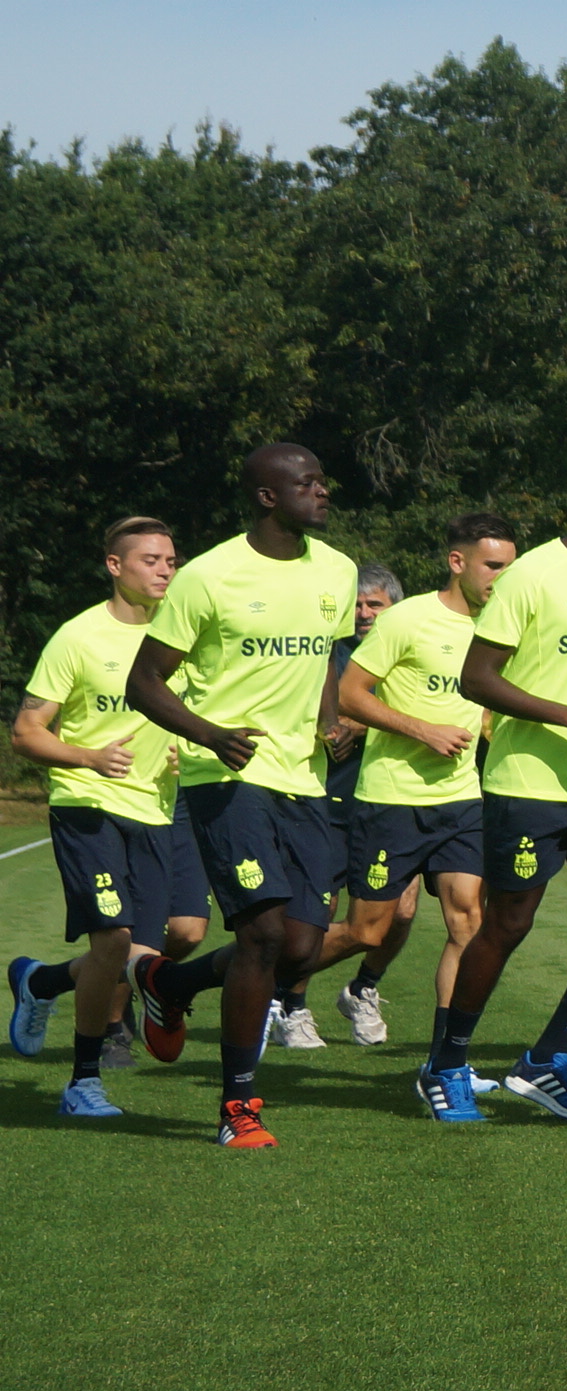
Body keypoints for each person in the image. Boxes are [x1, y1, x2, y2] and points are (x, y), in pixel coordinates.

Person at [124, 441, 362, 1150]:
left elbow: (324, 658)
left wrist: (328, 720)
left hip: (303, 779)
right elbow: (143, 681)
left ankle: (170, 985)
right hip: (226, 776)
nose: (322, 492)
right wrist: (209, 733)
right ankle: (237, 1106)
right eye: (307, 483)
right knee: (262, 935)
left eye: (322, 482)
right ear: (267, 497)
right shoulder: (208, 576)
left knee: (301, 947)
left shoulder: (339, 570)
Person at [414, 451, 567, 1126]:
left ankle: (547, 1059)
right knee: (508, 924)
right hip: (528, 782)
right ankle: (446, 1063)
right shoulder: (531, 576)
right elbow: (477, 679)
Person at [9, 518, 201, 1119]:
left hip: (157, 809)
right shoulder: (77, 637)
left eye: (171, 560)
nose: (165, 570)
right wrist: (88, 756)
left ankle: (40, 983)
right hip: (87, 804)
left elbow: (197, 714)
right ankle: (83, 1082)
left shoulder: (184, 638)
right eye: (150, 560)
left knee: (150, 945)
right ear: (115, 566)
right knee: (114, 941)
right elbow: (26, 732)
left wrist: (190, 749)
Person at [319, 513, 516, 1048]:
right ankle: (269, 980)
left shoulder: (502, 628)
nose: (502, 578)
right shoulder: (406, 619)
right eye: (492, 565)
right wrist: (422, 729)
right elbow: (348, 695)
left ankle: (446, 1060)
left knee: (467, 923)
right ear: (457, 562)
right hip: (391, 798)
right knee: (368, 931)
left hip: (461, 798)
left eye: (508, 567)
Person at [286, 566, 397, 1048]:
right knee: (319, 909)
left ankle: (363, 988)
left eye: (375, 604)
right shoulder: (330, 652)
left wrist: (364, 723)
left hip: (391, 799)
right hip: (329, 798)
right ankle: (290, 1003)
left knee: (400, 912)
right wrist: (338, 723)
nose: (364, 613)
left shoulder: (405, 648)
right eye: (357, 604)